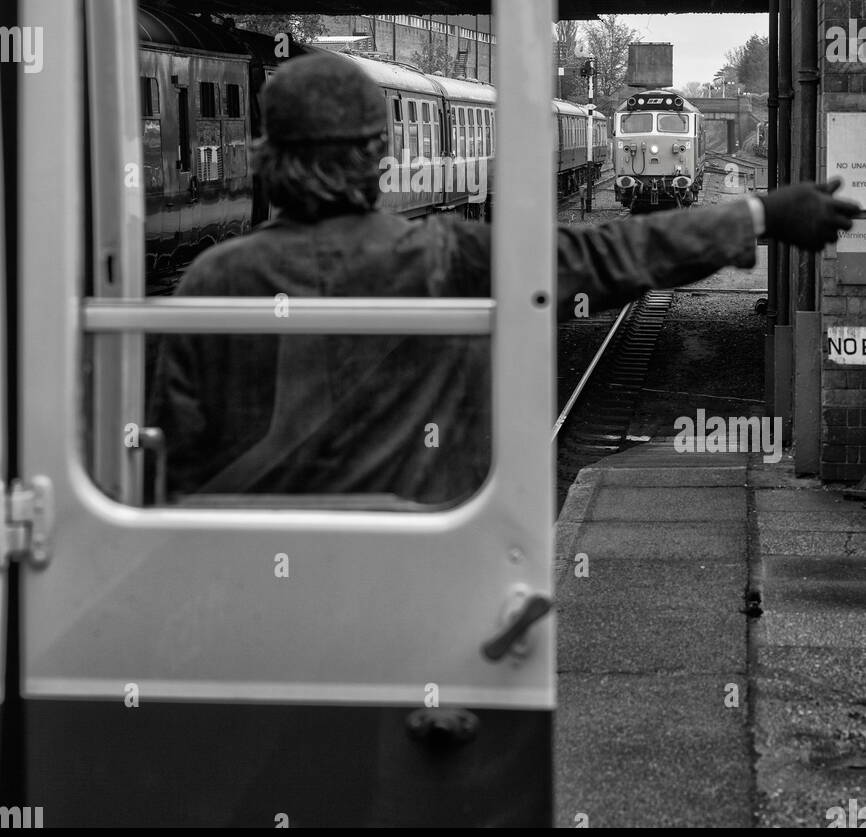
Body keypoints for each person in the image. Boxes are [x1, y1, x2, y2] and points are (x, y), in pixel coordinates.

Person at [149, 51, 861, 504]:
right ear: (375, 157)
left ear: (267, 156)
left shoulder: (211, 281)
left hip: (247, 605)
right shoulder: (444, 257)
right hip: (421, 589)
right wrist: (759, 215)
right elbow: (611, 255)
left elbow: (176, 466)